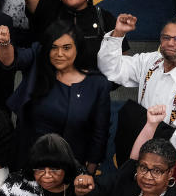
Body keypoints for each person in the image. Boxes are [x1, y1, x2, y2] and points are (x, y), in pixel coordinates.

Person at [99, 13, 176, 158]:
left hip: (166, 161)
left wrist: (147, 129)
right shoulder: (152, 61)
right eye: (166, 37)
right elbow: (111, 69)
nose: (171, 43)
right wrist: (118, 34)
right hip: (137, 147)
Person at [6, 20, 111, 173]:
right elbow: (11, 60)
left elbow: (100, 133)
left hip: (68, 168)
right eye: (53, 47)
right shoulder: (38, 67)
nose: (59, 54)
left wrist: (89, 171)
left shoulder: (97, 84)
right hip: (27, 162)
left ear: (78, 48)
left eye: (66, 48)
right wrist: (4, 43)